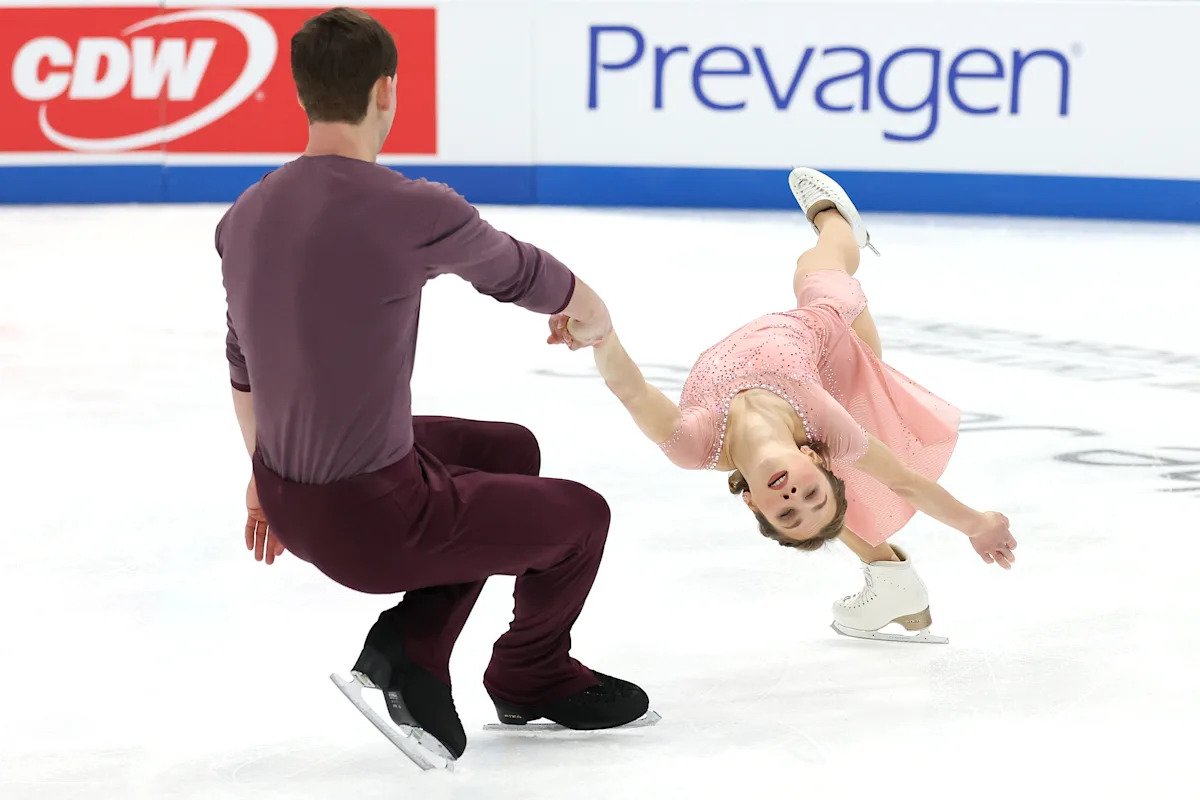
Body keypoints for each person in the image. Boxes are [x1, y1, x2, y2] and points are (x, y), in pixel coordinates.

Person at [217, 7, 649, 765]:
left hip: (288, 493)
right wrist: (593, 314)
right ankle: (531, 672)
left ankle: (413, 651)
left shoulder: (245, 214)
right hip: (373, 522)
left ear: (302, 94)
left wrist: (263, 480)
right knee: (582, 518)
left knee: (507, 450)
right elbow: (522, 274)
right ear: (386, 91)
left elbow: (244, 364)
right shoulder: (413, 210)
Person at [549, 169, 1017, 640]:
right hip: (837, 343)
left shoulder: (694, 444)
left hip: (791, 359)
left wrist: (600, 334)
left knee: (832, 509)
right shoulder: (830, 427)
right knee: (815, 268)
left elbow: (633, 392)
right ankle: (836, 220)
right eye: (810, 495)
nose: (794, 498)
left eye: (785, 513)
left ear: (753, 502)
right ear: (814, 457)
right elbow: (903, 481)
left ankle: (891, 579)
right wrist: (977, 523)